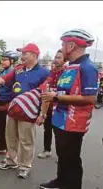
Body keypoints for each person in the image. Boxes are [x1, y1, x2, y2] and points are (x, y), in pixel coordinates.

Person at [0, 43, 49, 178]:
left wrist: (43, 114)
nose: (21, 57)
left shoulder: (44, 72)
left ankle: (25, 165)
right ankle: (11, 160)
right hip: (13, 109)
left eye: (24, 54)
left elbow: (46, 95)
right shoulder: (18, 69)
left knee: (26, 140)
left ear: (34, 55)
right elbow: (3, 80)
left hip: (28, 112)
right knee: (11, 137)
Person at [39, 29, 98, 189]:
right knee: (62, 156)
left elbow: (90, 98)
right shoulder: (70, 66)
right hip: (60, 119)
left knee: (71, 159)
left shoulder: (87, 67)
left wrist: (56, 97)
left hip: (73, 123)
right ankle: (60, 181)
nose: (62, 46)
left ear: (71, 45)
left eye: (63, 43)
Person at [37, 50, 67, 159]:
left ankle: (62, 156)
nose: (56, 59)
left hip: (60, 108)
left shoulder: (67, 73)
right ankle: (47, 150)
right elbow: (45, 89)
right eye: (56, 57)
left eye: (59, 57)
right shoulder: (51, 73)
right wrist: (43, 112)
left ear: (65, 60)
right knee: (47, 129)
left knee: (60, 133)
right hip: (49, 106)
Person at [0, 51, 18, 156]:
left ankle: (10, 153)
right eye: (2, 59)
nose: (2, 61)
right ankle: (2, 148)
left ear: (12, 61)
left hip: (9, 103)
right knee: (1, 127)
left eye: (5, 59)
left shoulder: (13, 72)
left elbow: (15, 90)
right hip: (0, 102)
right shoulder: (2, 72)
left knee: (9, 130)